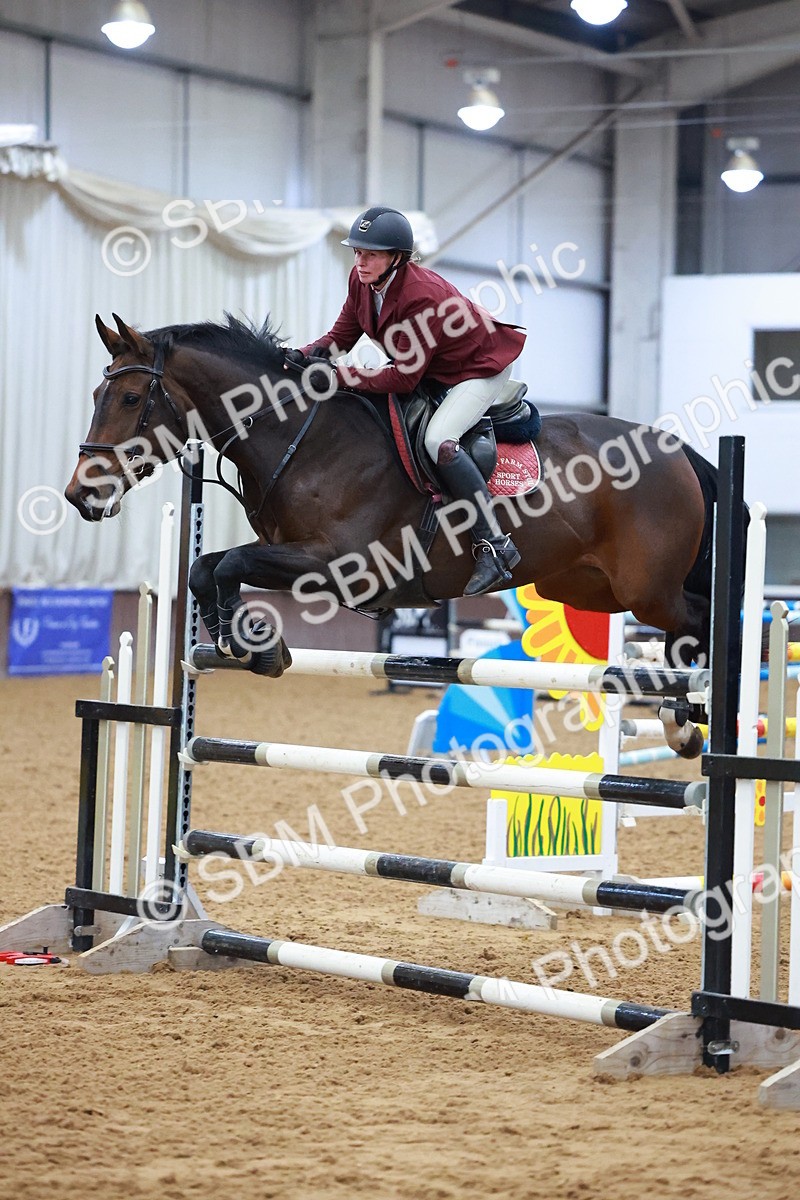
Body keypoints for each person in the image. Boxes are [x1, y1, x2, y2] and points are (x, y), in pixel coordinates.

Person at [287, 205, 526, 597]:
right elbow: (341, 337)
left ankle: (494, 546)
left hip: (478, 367)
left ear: (396, 258)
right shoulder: (361, 280)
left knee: (439, 441)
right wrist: (302, 355)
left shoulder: (422, 296)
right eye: (357, 252)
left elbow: (403, 378)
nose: (360, 262)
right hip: (435, 367)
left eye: (371, 254)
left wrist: (338, 375)